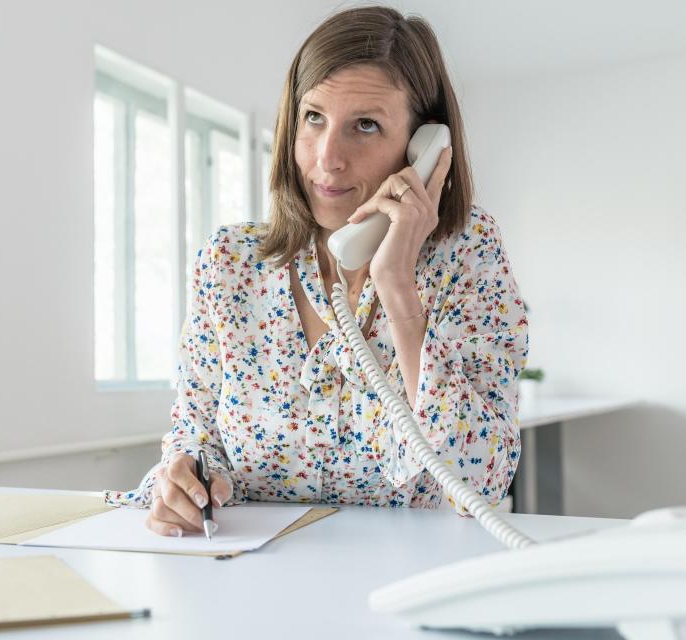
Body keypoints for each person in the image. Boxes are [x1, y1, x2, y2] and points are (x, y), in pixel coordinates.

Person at [105, 5, 528, 538]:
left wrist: (397, 285)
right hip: (250, 587)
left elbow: (482, 482)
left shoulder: (466, 254)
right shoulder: (231, 263)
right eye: (314, 118)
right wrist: (185, 477)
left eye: (366, 126)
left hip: (404, 594)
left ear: (423, 146)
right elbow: (195, 432)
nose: (328, 159)